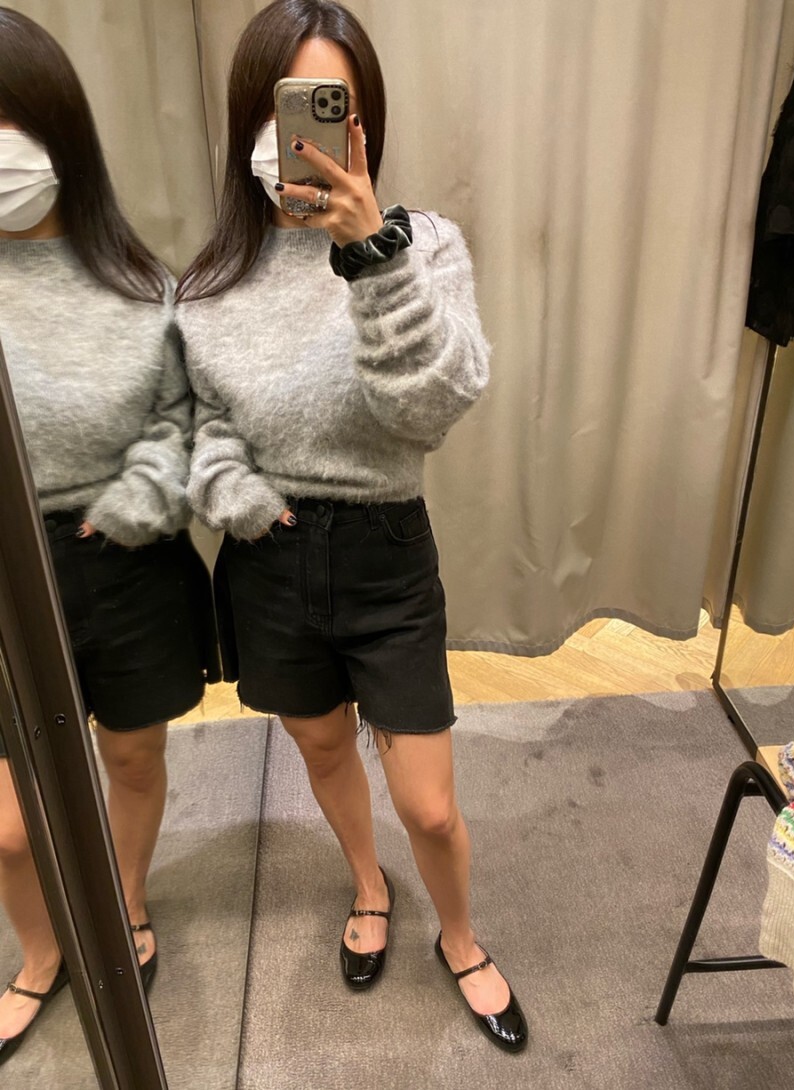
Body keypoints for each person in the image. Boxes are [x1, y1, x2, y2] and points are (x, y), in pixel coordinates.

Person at [177, 0, 527, 1052]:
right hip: (268, 558)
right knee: (323, 745)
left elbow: (432, 408)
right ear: (252, 121)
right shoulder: (210, 284)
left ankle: (459, 935)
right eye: (286, 107)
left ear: (364, 121)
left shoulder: (421, 245)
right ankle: (367, 886)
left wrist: (371, 256)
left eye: (333, 106)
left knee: (429, 802)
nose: (304, 133)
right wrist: (242, 502)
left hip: (384, 553)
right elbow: (199, 429)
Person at [0, 8, 217, 1064]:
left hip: (122, 563)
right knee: (10, 822)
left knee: (132, 755)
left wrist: (128, 504)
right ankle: (42, 950)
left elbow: (184, 425)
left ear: (55, 132)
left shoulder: (141, 286)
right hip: (5, 574)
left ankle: (125, 900)